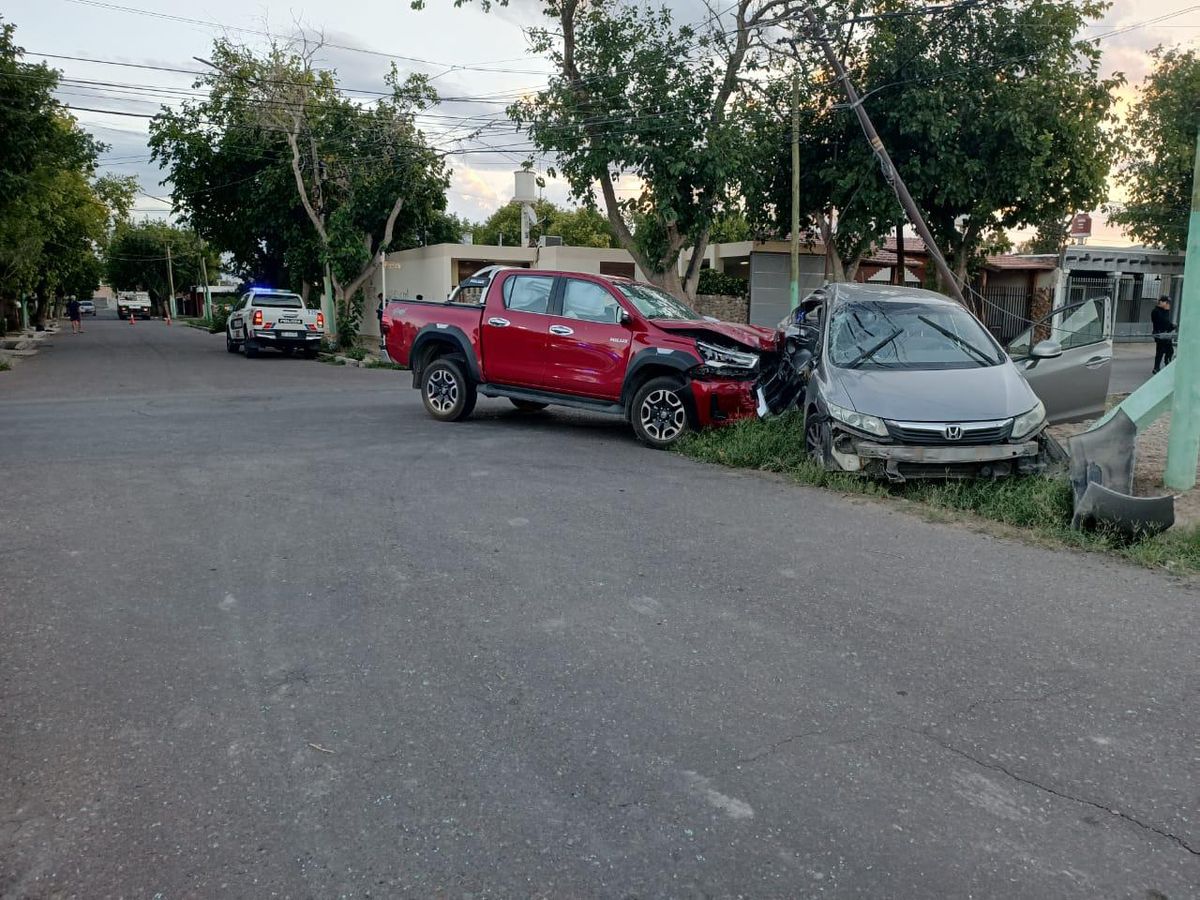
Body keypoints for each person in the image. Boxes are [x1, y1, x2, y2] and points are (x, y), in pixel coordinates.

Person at [1151, 295, 1175, 373]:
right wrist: (1166, 311)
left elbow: (1167, 323)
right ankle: (1157, 368)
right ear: (1161, 302)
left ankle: (1165, 363)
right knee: (1160, 351)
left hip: (1165, 334)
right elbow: (1163, 322)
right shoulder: (1156, 311)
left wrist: (1172, 326)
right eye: (1166, 302)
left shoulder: (1164, 311)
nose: (1168, 304)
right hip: (1160, 333)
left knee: (1169, 350)